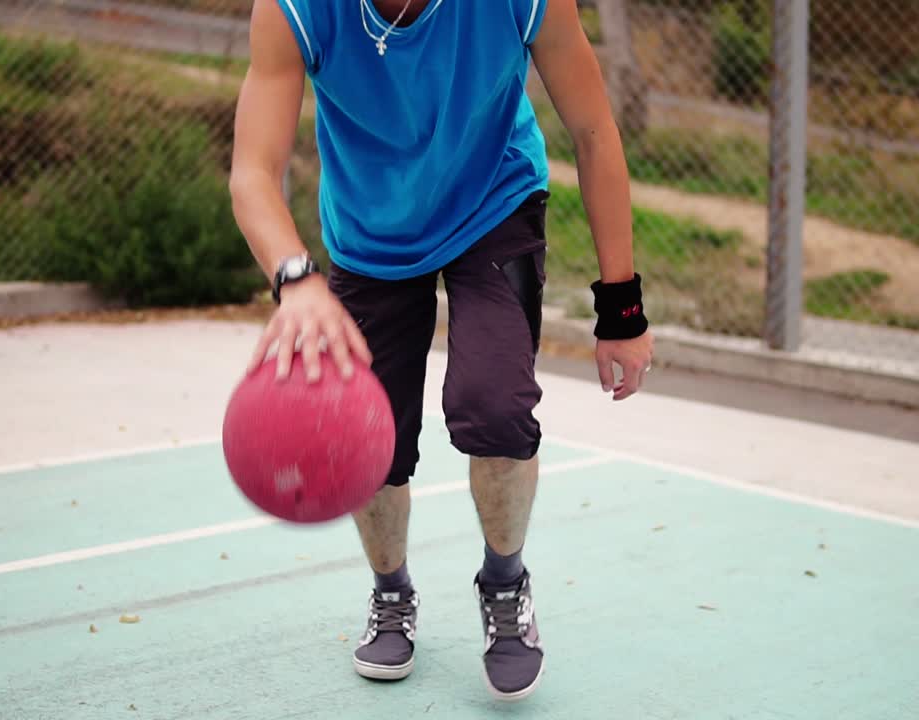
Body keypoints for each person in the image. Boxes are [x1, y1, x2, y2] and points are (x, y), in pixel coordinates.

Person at [228, 0, 654, 702]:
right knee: (372, 437)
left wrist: (622, 307)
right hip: (371, 229)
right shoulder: (296, 9)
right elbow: (252, 171)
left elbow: (593, 129)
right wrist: (295, 278)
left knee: (492, 407)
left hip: (493, 201)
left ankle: (505, 581)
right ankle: (391, 591)